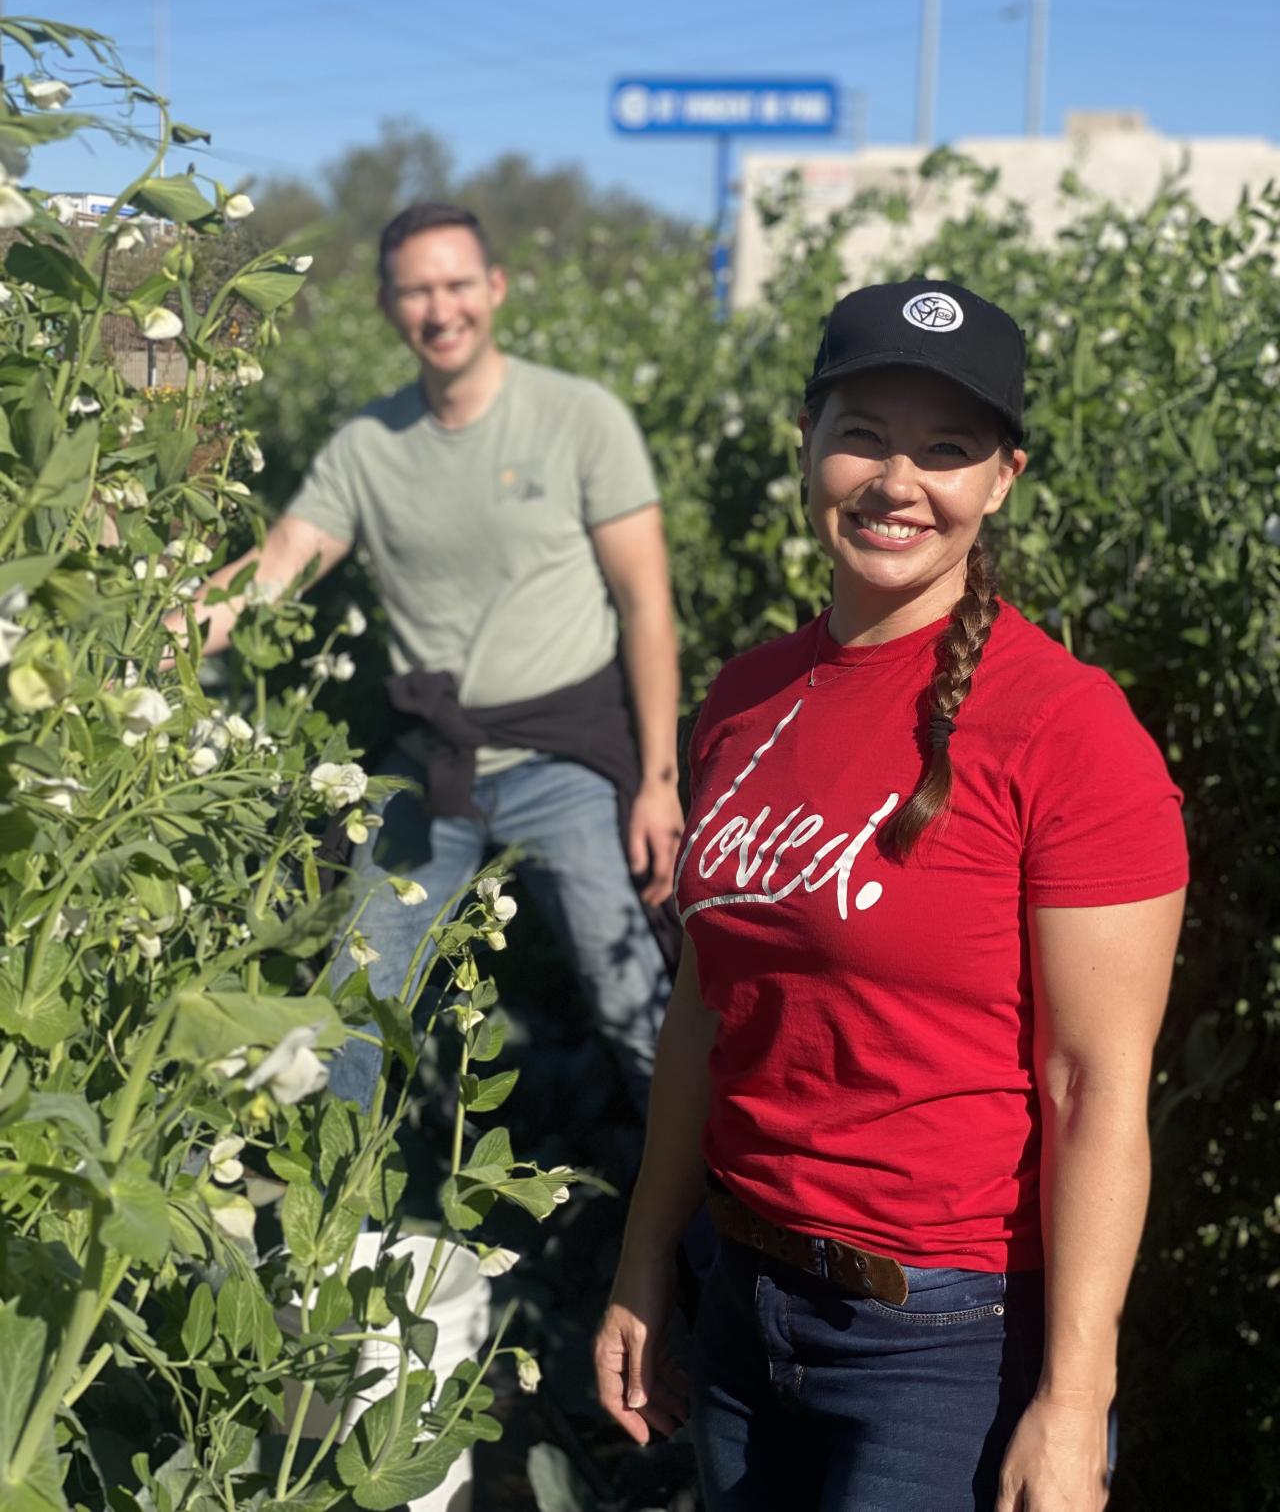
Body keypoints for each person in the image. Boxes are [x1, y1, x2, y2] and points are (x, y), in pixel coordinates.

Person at [595, 279, 1188, 1512]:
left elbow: (1094, 1085)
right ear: (804, 444)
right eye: (861, 433)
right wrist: (646, 1257)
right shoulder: (746, 698)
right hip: (744, 1304)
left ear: (1002, 479)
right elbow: (705, 1010)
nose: (895, 481)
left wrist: (1073, 1402)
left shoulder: (1066, 729)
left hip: (942, 1343)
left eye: (946, 450)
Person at [192, 202, 683, 1114]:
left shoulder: (579, 418)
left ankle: (697, 1242)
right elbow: (279, 561)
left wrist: (659, 779)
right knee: (357, 999)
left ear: (493, 289)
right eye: (416, 290)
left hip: (566, 759)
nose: (440, 307)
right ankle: (322, 1233)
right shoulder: (367, 447)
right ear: (387, 305)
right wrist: (156, 631)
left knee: (636, 1001)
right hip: (434, 767)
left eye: (457, 283)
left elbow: (646, 604)